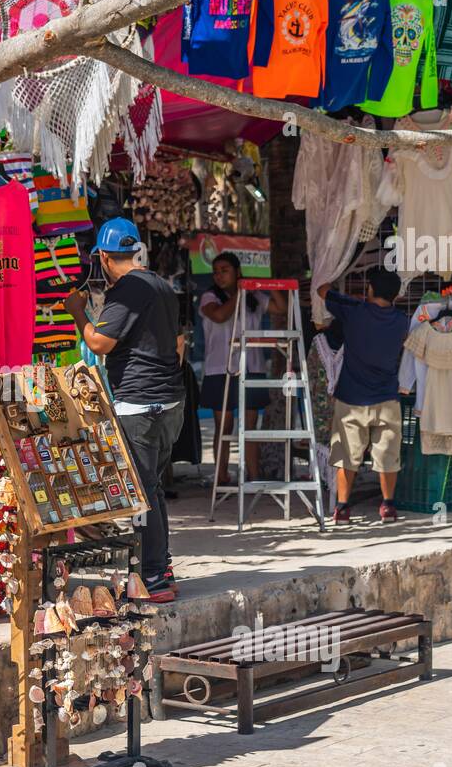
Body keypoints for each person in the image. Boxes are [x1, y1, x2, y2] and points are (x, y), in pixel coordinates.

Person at [63, 218, 185, 602]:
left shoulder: (127, 291)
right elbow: (179, 345)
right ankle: (160, 566)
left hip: (141, 406)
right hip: (169, 403)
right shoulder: (163, 286)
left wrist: (76, 312)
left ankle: (153, 578)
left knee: (143, 494)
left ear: (102, 256)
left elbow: (99, 342)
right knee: (154, 487)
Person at [316, 269, 409, 523]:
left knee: (346, 455)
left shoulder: (354, 311)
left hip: (351, 399)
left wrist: (338, 284)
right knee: (388, 455)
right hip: (387, 398)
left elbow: (322, 290)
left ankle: (343, 508)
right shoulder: (402, 321)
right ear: (396, 294)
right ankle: (388, 506)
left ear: (369, 288)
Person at [199, 252, 287, 486]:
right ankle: (221, 476)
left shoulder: (254, 296)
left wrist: (267, 282)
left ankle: (253, 475)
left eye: (224, 270)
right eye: (216, 271)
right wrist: (241, 291)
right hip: (220, 368)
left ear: (238, 271)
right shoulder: (209, 296)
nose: (219, 275)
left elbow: (281, 307)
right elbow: (218, 316)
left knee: (250, 425)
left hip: (252, 366)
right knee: (224, 425)